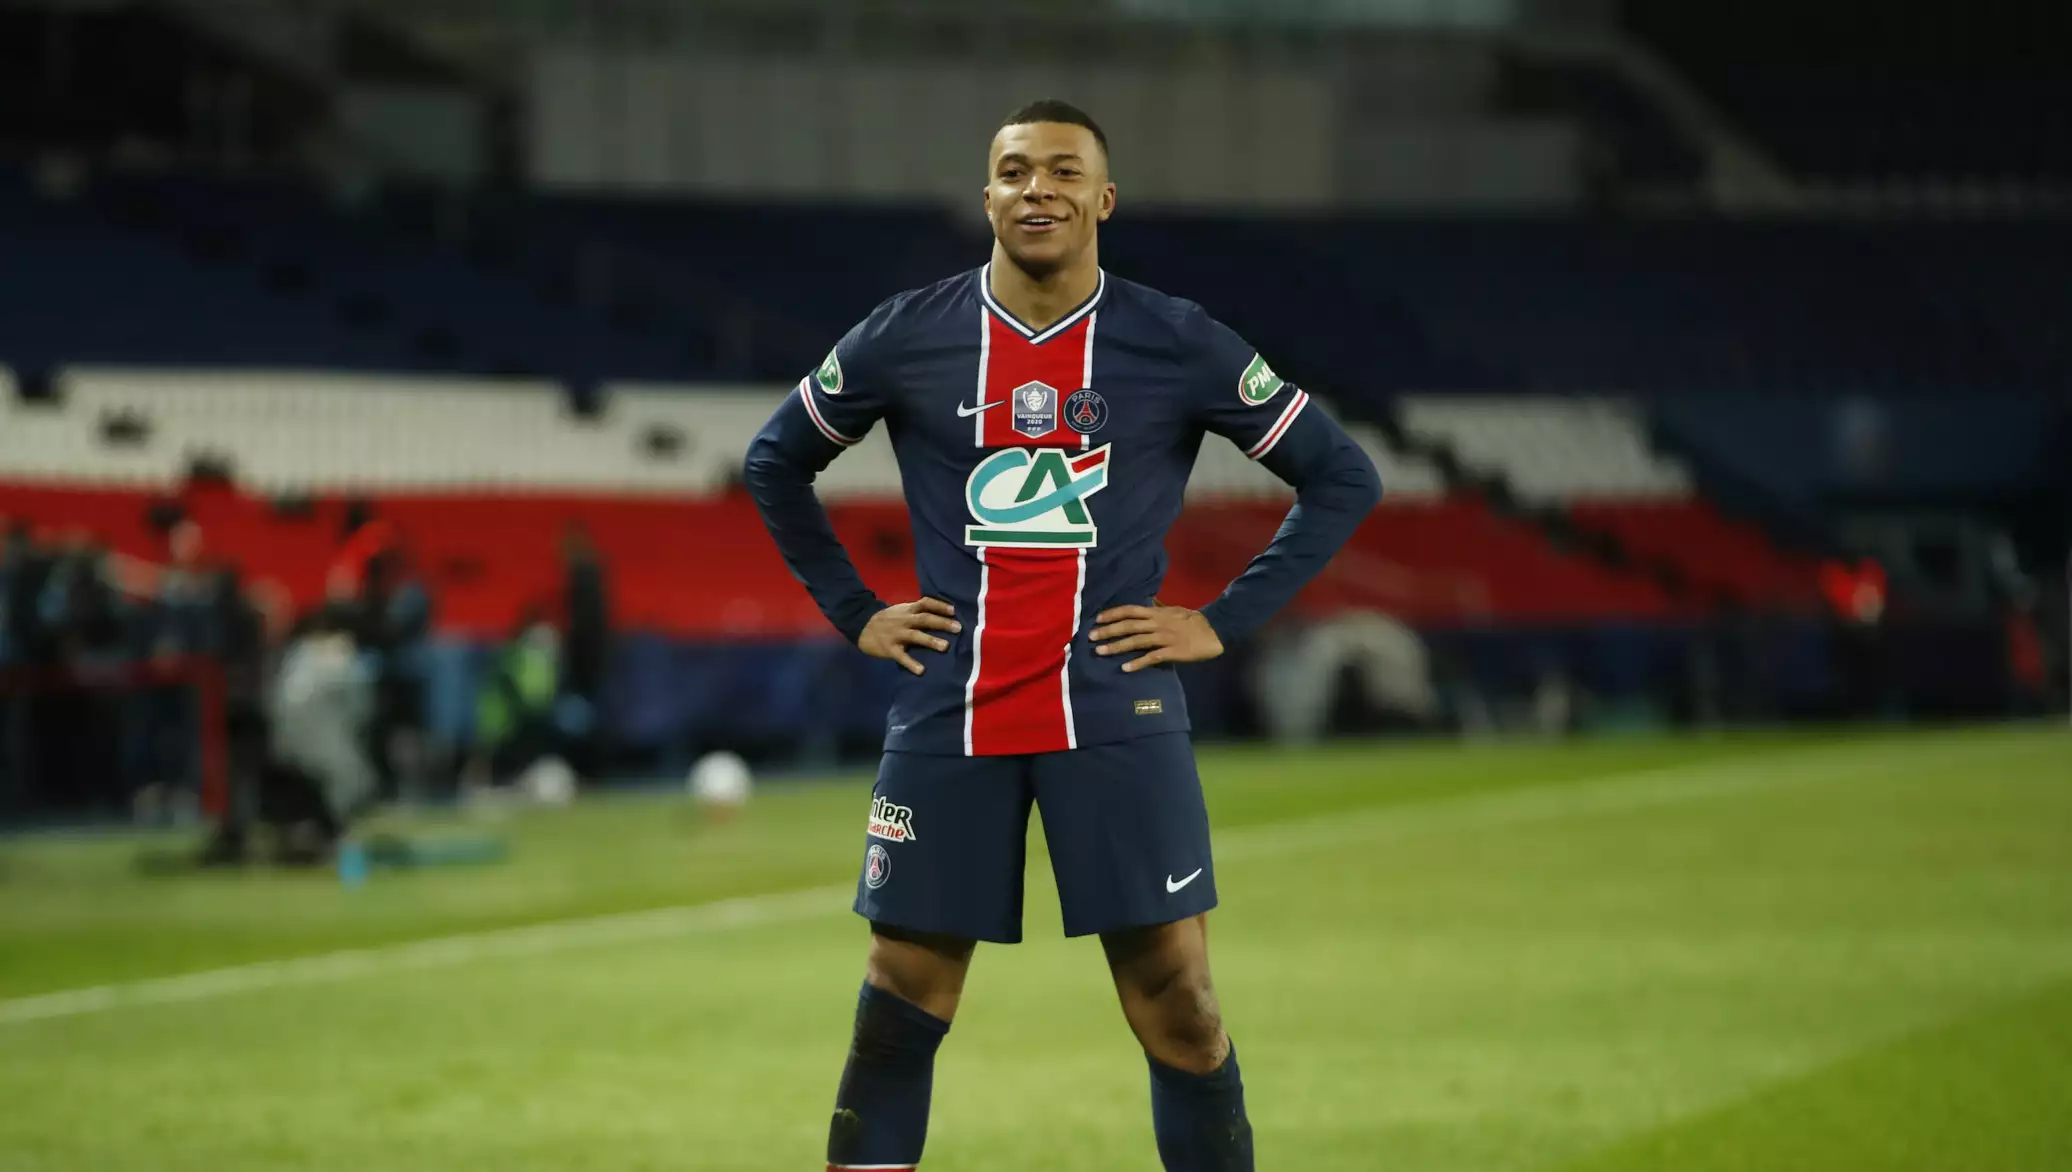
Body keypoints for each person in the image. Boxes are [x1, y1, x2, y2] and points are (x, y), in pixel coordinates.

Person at [744, 99, 1382, 1172]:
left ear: (1103, 198)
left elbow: (1340, 474)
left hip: (1115, 706)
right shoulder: (907, 332)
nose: (1036, 188)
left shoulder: (1174, 338)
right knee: (898, 1001)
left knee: (1180, 1002)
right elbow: (774, 459)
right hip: (952, 705)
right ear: (987, 195)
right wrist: (856, 611)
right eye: (1014, 171)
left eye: (1061, 170)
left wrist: (1221, 620)